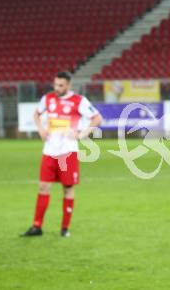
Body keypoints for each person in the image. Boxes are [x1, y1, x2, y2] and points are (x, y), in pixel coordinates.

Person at [21, 72, 102, 237]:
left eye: (60, 85)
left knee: (68, 188)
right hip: (49, 151)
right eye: (55, 84)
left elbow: (97, 118)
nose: (56, 88)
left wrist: (81, 134)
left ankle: (65, 228)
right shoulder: (48, 98)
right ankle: (37, 226)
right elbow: (36, 114)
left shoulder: (79, 101)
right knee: (43, 186)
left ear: (68, 86)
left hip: (67, 152)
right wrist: (41, 129)